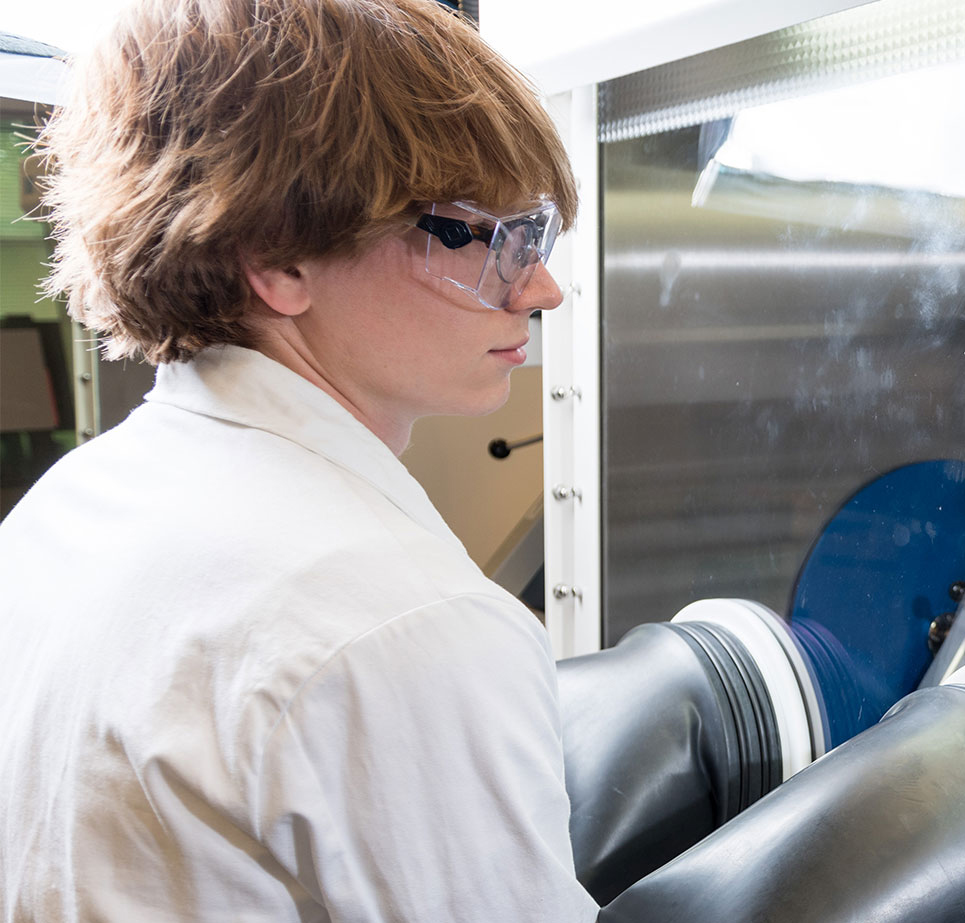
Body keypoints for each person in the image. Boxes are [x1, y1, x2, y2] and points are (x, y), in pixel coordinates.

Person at [0, 0, 599, 919]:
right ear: (280, 260)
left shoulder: (63, 509)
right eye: (487, 236)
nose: (542, 288)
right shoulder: (399, 626)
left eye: (539, 235)